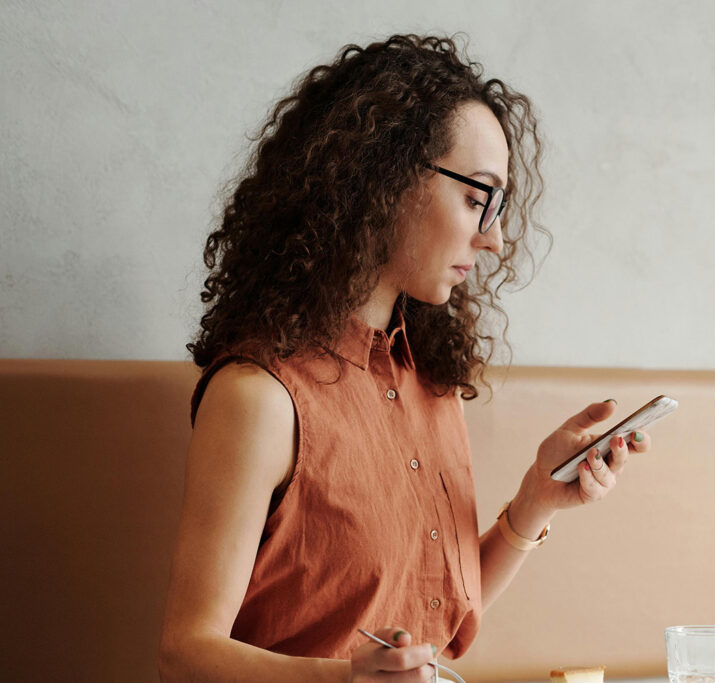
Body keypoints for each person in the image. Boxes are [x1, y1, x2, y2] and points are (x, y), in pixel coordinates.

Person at [159, 34, 652, 683]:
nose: (496, 237)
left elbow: (431, 630)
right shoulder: (259, 397)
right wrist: (343, 679)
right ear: (383, 177)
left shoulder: (428, 378)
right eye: (478, 197)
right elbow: (184, 653)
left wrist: (535, 500)